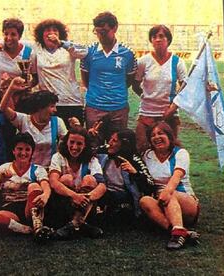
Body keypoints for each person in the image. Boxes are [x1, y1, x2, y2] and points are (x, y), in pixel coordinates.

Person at [139, 122, 200, 250]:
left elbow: (176, 177)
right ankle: (179, 232)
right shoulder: (147, 155)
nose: (157, 137)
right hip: (161, 203)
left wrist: (166, 192)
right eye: (153, 135)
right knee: (144, 201)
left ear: (170, 136)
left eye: (161, 133)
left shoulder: (180, 153)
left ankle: (178, 233)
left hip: (184, 202)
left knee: (168, 193)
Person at [80, 12, 137, 147]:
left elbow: (128, 80)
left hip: (119, 109)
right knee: (93, 146)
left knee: (118, 146)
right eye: (98, 32)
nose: (101, 36)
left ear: (115, 28)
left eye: (104, 31)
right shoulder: (89, 52)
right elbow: (85, 79)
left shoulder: (127, 53)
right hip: (94, 108)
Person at [0, 133, 52, 243]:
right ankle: (24, 229)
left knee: (34, 185)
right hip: (10, 209)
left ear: (32, 152)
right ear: (13, 151)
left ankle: (37, 225)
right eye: (19, 149)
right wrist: (0, 180)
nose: (23, 153)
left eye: (27, 149)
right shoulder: (4, 168)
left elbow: (46, 186)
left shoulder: (37, 169)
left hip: (30, 207)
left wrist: (45, 195)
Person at [132, 25, 187, 153]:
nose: (157, 39)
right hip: (147, 113)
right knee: (142, 149)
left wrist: (172, 108)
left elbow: (185, 88)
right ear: (151, 40)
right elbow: (135, 84)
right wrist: (146, 96)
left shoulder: (177, 62)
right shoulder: (143, 61)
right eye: (154, 37)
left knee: (168, 150)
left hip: (169, 115)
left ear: (168, 40)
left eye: (161, 36)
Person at [48, 126, 106, 239]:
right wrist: (74, 196)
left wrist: (85, 198)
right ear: (66, 142)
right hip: (64, 205)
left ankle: (74, 223)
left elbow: (102, 186)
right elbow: (54, 182)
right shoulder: (58, 157)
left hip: (85, 206)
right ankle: (81, 225)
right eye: (72, 142)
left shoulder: (92, 160)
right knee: (66, 178)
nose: (74, 147)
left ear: (85, 145)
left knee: (89, 179)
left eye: (79, 144)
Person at [0, 77, 67, 168]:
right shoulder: (23, 120)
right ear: (40, 107)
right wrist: (11, 89)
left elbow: (68, 144)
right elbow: (2, 108)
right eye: (51, 106)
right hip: (27, 170)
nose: (55, 110)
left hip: (50, 170)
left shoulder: (57, 122)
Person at [32, 19, 87, 127]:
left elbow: (84, 52)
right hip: (47, 104)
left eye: (55, 30)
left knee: (73, 138)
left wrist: (60, 43)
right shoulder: (36, 50)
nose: (51, 33)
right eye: (47, 30)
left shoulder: (67, 48)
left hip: (70, 102)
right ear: (41, 34)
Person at [96, 128, 154, 220]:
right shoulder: (104, 150)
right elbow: (85, 152)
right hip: (104, 190)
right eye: (110, 139)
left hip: (124, 195)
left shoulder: (134, 159)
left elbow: (150, 184)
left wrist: (135, 173)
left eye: (114, 141)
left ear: (124, 144)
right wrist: (90, 137)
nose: (109, 143)